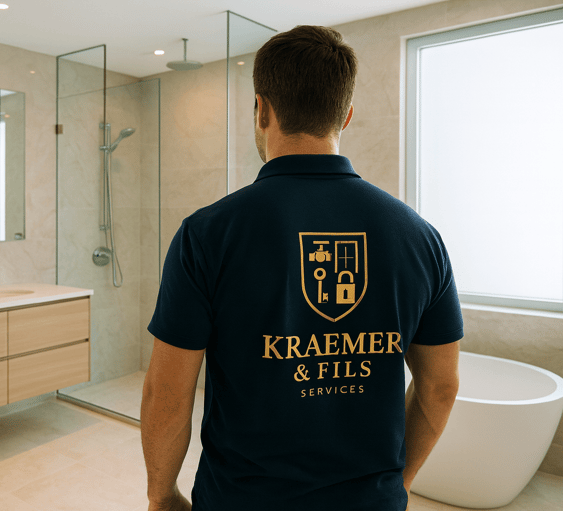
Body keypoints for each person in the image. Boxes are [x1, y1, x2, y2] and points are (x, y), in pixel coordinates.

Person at [141, 25, 462, 511]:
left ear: (262, 108)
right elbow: (440, 387)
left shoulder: (207, 234)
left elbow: (167, 392)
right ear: (346, 115)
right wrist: (400, 482)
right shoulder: (421, 238)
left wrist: (162, 496)